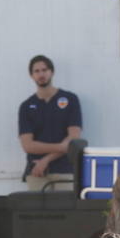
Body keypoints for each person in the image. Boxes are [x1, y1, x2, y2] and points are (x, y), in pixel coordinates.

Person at [19, 54, 83, 191]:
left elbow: (74, 138)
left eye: (44, 70)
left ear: (52, 72)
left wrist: (45, 160)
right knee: (37, 213)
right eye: (37, 71)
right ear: (31, 75)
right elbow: (28, 146)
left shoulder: (70, 100)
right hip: (36, 171)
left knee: (66, 211)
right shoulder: (26, 106)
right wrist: (62, 147)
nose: (41, 74)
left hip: (65, 170)